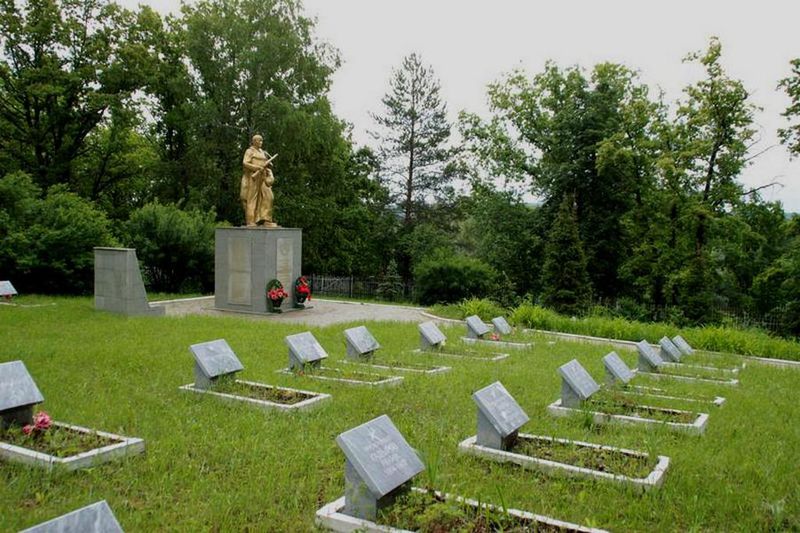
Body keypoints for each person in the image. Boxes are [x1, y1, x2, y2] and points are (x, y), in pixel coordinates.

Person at [240, 134, 277, 227]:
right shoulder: (249, 151)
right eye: (259, 141)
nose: (261, 142)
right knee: (252, 198)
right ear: (254, 141)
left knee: (268, 197)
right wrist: (257, 168)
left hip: (263, 177)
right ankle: (251, 221)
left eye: (262, 141)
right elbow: (245, 163)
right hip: (253, 177)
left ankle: (266, 219)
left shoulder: (263, 152)